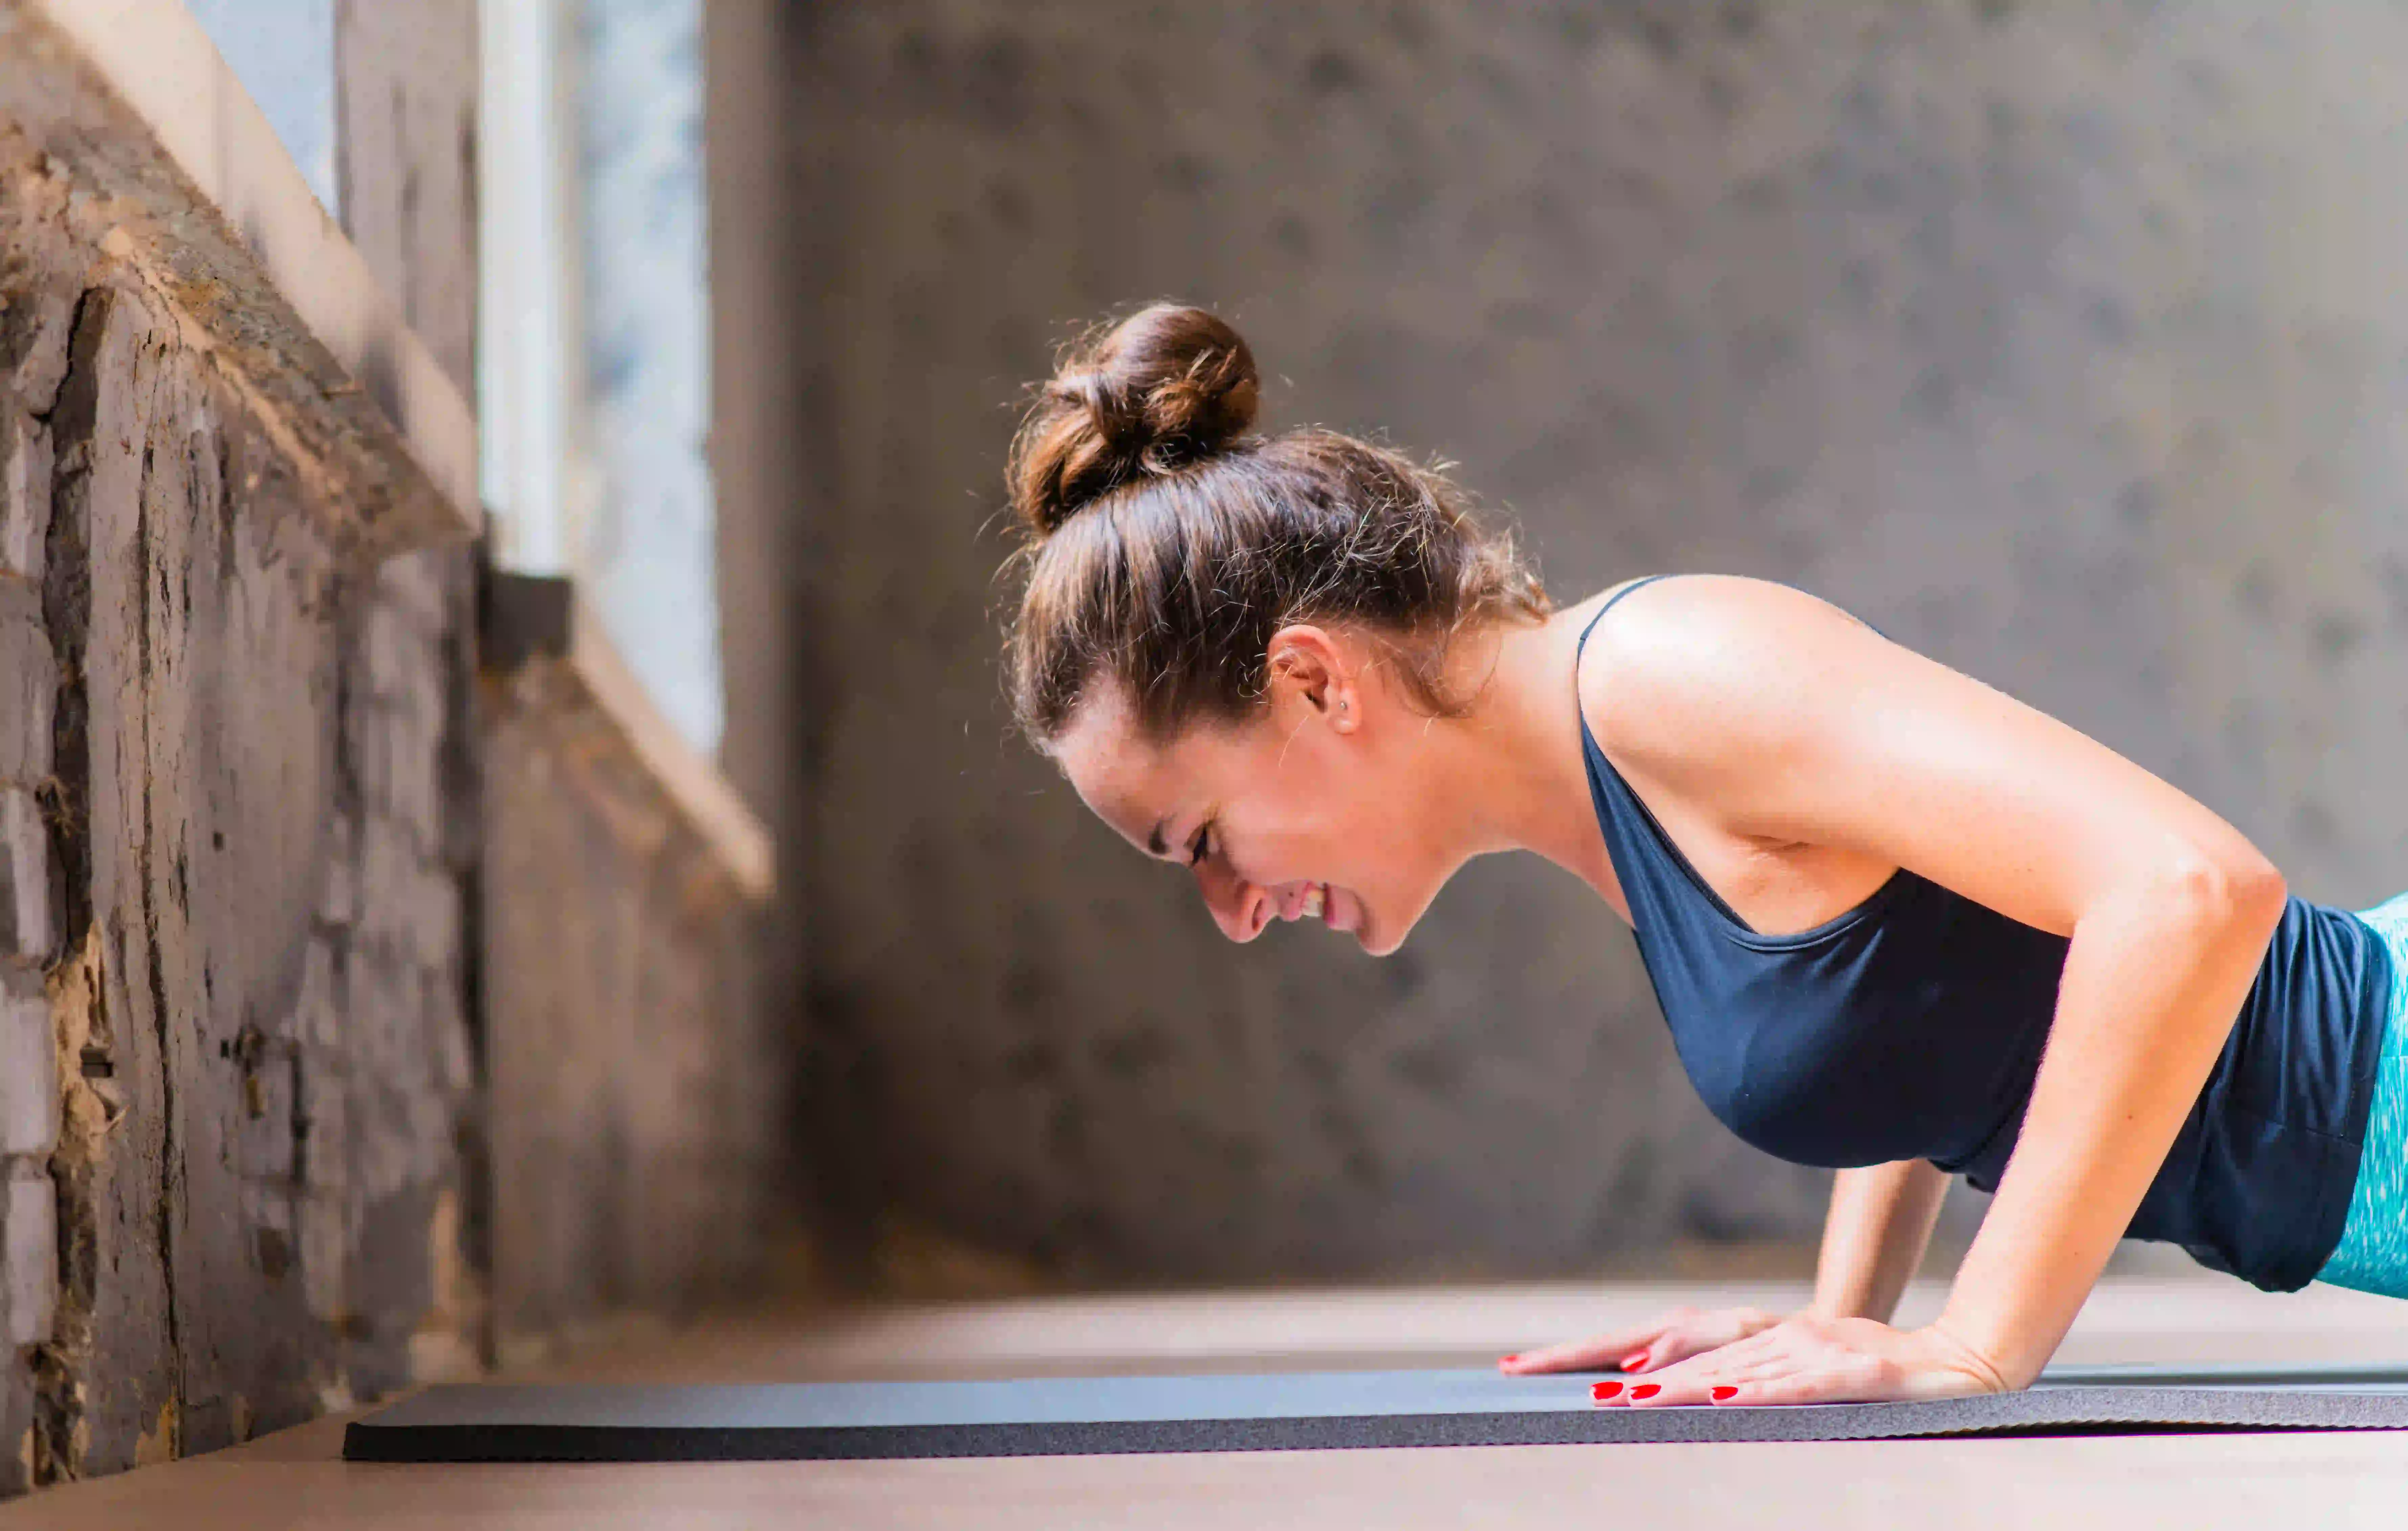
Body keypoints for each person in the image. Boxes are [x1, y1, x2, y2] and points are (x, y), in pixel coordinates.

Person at [995, 301, 2408, 1409]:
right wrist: (1849, 1319)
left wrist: (1980, 1345)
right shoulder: (1615, 784)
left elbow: (2187, 890)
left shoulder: (1670, 677)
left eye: (1202, 842)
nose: (1233, 912)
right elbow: (1944, 978)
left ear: (1313, 685)